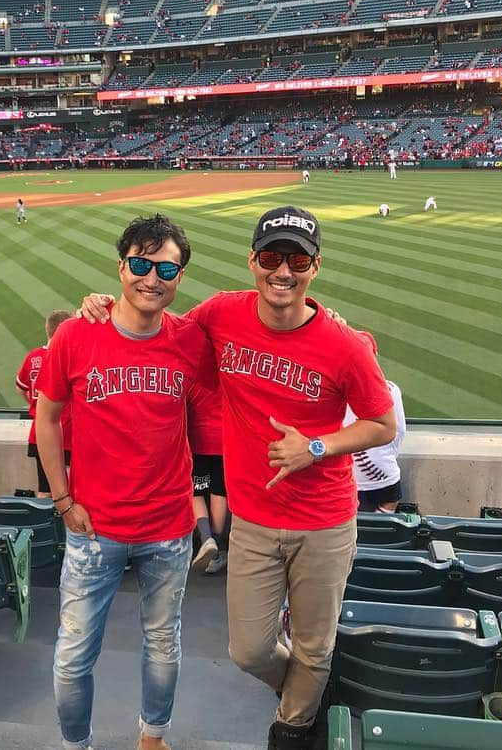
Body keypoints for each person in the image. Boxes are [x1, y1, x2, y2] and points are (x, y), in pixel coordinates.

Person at [78, 206, 396, 750]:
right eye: (272, 257)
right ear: (252, 260)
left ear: (314, 267)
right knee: (248, 650)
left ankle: (294, 726)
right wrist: (109, 303)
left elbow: (382, 423)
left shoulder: (343, 345)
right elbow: (162, 322)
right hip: (252, 519)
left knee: (314, 648)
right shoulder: (222, 313)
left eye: (297, 259)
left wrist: (317, 446)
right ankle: (310, 691)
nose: (283, 271)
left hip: (324, 521)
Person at [35, 214, 215, 750]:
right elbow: (46, 417)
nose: (151, 278)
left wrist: (337, 322)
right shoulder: (76, 333)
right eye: (140, 263)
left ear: (179, 277)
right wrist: (63, 500)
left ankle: (152, 737)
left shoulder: (189, 339)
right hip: (93, 528)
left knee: (164, 643)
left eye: (165, 268)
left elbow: (255, 335)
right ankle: (75, 744)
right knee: (73, 653)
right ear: (121, 266)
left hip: (168, 529)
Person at [342, 333, 407, 513]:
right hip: (365, 475)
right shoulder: (390, 389)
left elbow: (397, 431)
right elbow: (399, 432)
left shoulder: (389, 389)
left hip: (369, 475)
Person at [14, 310, 73, 499]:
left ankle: (46, 527)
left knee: (46, 491)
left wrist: (37, 406)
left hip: (39, 435)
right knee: (75, 492)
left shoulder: (34, 357)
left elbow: (21, 387)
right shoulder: (70, 356)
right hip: (70, 435)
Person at [188, 382, 228, 574]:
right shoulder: (229, 368)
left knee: (197, 491)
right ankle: (218, 549)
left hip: (198, 437)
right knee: (219, 492)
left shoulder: (193, 371)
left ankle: (206, 538)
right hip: (225, 439)